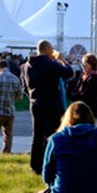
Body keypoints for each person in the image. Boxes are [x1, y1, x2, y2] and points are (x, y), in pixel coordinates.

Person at [22, 40, 75, 174]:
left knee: (37, 135)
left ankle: (35, 165)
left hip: (34, 103)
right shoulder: (49, 64)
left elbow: (24, 88)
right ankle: (52, 164)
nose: (53, 52)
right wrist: (62, 59)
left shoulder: (26, 66)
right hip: (50, 103)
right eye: (51, 49)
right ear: (46, 50)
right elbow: (69, 73)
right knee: (53, 135)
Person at [0, 59, 23, 154]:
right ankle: (7, 153)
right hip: (10, 111)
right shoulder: (15, 79)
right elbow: (20, 97)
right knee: (8, 135)